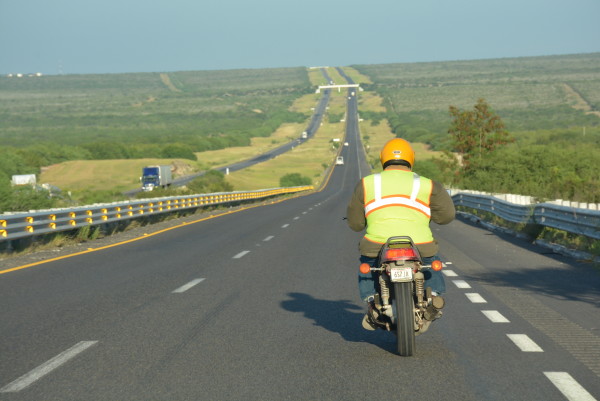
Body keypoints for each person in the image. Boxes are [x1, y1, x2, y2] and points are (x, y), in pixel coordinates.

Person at [346, 138, 455, 330]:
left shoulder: (367, 183)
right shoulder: (428, 184)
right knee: (431, 262)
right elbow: (446, 217)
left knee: (368, 266)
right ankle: (434, 296)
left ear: (383, 159)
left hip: (377, 244)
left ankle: (372, 302)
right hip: (420, 244)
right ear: (411, 159)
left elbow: (355, 224)